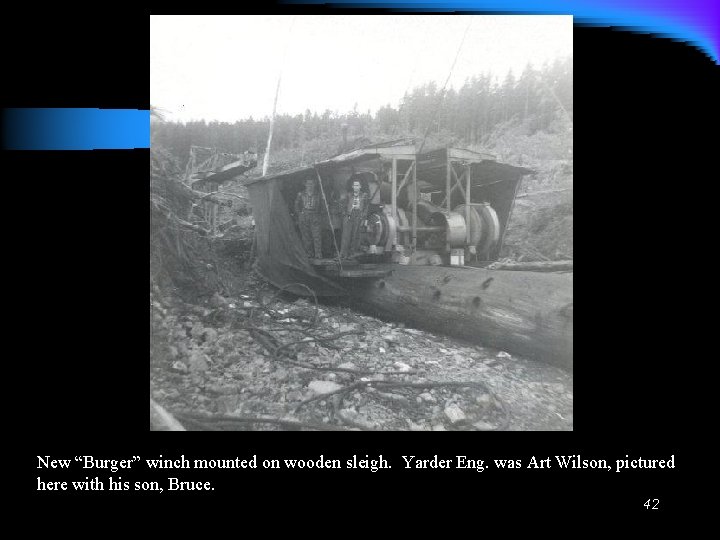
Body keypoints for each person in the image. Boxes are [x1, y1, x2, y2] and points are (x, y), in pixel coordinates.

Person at [340, 175, 370, 258]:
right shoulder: (348, 195)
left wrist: (363, 217)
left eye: (357, 185)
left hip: (358, 215)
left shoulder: (364, 196)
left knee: (355, 235)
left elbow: (366, 207)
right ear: (352, 187)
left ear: (360, 186)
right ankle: (343, 254)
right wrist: (345, 214)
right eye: (354, 185)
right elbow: (342, 205)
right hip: (349, 215)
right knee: (346, 235)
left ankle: (351, 254)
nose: (356, 187)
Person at [294, 177, 323, 259]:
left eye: (312, 183)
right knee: (306, 236)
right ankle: (309, 253)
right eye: (308, 183)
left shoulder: (318, 194)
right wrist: (300, 213)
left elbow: (322, 206)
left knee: (316, 235)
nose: (310, 185)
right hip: (304, 215)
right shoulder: (300, 194)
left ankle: (318, 254)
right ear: (305, 184)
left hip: (315, 215)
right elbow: (296, 205)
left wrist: (319, 214)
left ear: (314, 185)